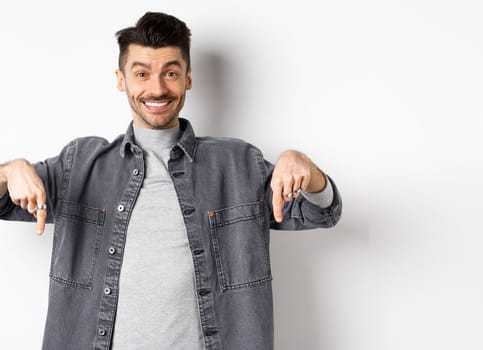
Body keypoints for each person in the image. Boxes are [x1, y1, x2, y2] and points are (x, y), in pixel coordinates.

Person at [0, 12, 341, 350]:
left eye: (171, 73)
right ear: (122, 80)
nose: (157, 88)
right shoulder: (80, 165)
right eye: (142, 73)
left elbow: (321, 212)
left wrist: (306, 170)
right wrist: (9, 170)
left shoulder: (238, 165)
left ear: (188, 79)